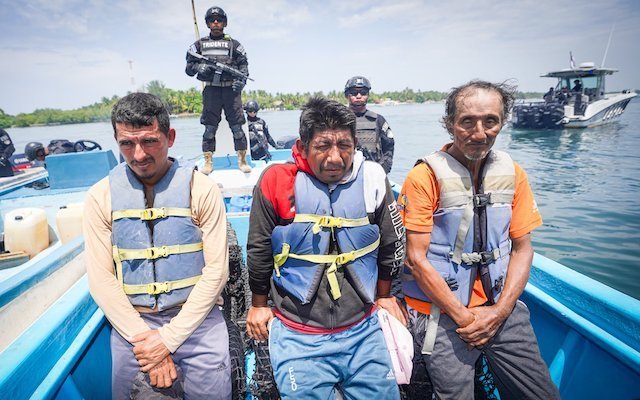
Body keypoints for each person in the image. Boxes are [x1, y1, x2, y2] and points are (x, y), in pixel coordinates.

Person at [399, 80, 559, 399]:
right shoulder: (423, 177)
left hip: (501, 309)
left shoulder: (513, 173)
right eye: (467, 121)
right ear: (450, 124)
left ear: (502, 122)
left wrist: (498, 313)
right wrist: (466, 318)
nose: (479, 132)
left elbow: (523, 248)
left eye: (490, 121)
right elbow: (415, 259)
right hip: (443, 314)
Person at [246, 96, 406, 399]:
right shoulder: (276, 181)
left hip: (362, 329)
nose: (335, 158)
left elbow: (391, 243)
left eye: (344, 146)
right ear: (303, 145)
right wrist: (258, 304)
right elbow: (258, 249)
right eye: (323, 146)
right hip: (298, 333)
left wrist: (385, 297)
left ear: (355, 143)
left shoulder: (372, 177)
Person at [83, 93, 231, 399]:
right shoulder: (100, 197)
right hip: (132, 327)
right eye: (127, 144)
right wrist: (146, 339)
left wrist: (168, 339)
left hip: (198, 319)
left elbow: (217, 272)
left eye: (149, 141)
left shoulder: (201, 189)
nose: (138, 155)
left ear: (170, 136)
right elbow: (100, 279)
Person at [185, 6, 251, 174]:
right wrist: (200, 67)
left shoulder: (234, 45)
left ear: (224, 23)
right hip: (211, 91)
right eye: (212, 20)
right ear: (207, 23)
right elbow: (189, 68)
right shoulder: (199, 45)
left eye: (219, 20)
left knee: (237, 127)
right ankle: (208, 162)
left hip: (231, 92)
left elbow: (244, 67)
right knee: (209, 128)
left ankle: (242, 161)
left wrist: (241, 83)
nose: (216, 22)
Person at [344, 76, 395, 174]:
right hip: (345, 174)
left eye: (363, 93)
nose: (359, 96)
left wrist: (381, 171)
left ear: (368, 95)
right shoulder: (338, 120)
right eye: (354, 93)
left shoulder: (378, 120)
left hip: (373, 173)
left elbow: (389, 148)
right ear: (347, 95)